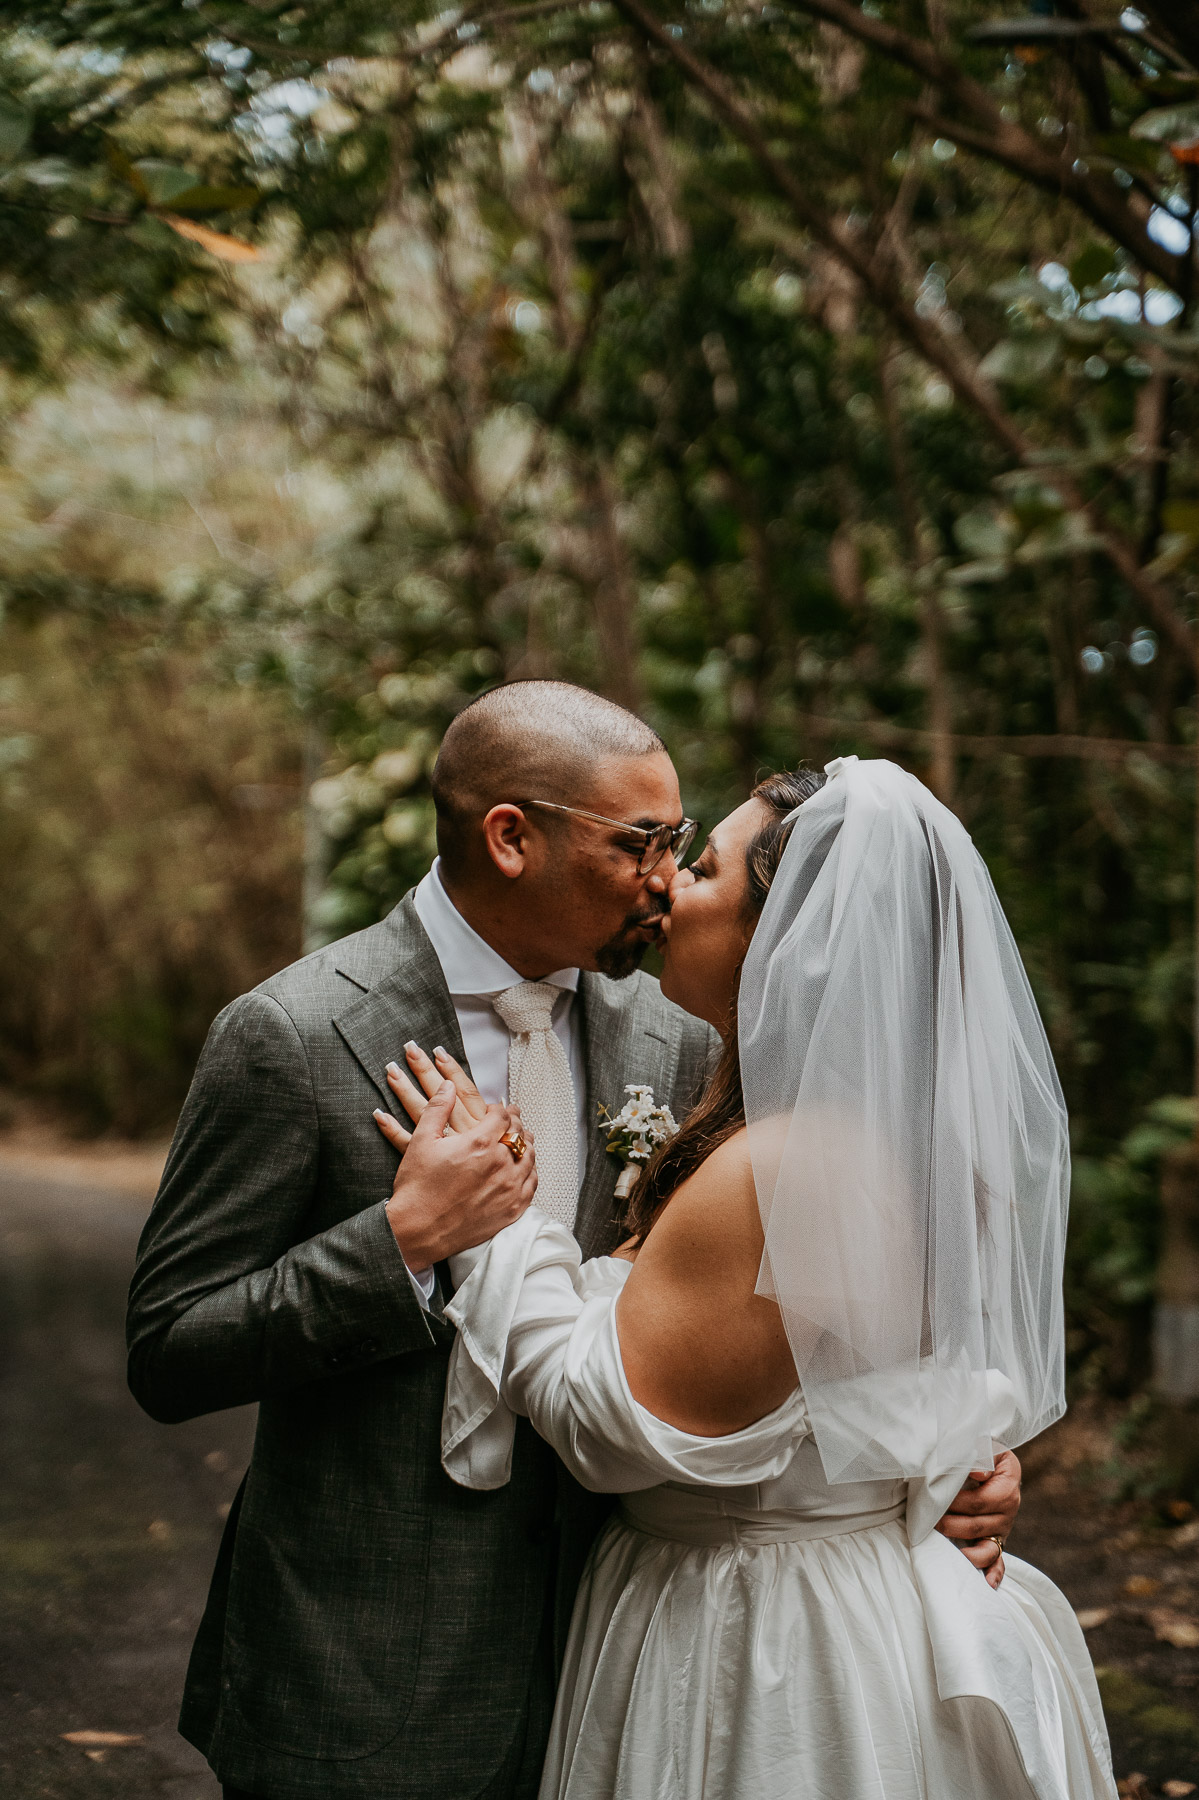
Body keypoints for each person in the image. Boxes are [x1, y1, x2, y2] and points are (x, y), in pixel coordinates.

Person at [127, 687, 1020, 1800]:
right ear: (511, 837)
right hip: (363, 1670)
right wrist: (399, 1242)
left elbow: (804, 1306)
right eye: (640, 845)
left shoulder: (684, 1031)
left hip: (629, 1655)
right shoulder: (293, 1034)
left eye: (682, 848)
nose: (662, 879)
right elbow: (170, 1347)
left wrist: (945, 1453)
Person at [401, 756, 1112, 1800]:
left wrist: (499, 1226)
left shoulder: (791, 1162)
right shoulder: (870, 1133)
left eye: (705, 868)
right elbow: (862, 1379)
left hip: (768, 1641)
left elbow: (610, 1429)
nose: (666, 885)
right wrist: (947, 1464)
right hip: (829, 1593)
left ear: (793, 938)